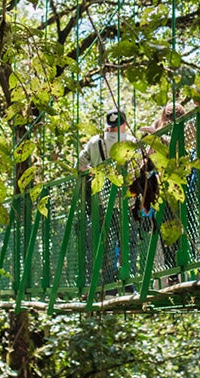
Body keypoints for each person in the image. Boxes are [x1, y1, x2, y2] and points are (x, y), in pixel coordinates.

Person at [78, 109, 137, 296]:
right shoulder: (131, 142)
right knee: (129, 241)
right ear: (124, 124)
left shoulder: (95, 142)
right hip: (127, 200)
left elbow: (79, 164)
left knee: (107, 242)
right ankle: (128, 283)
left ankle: (110, 286)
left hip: (102, 200)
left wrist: (93, 171)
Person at [129, 102, 186, 287]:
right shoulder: (187, 132)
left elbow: (162, 155)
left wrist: (154, 136)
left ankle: (171, 275)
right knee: (171, 233)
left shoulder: (171, 137)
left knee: (167, 232)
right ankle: (173, 275)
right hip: (171, 190)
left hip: (166, 191)